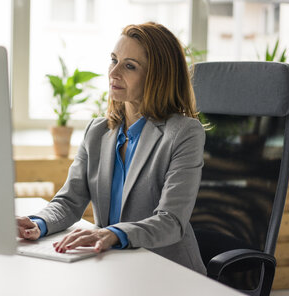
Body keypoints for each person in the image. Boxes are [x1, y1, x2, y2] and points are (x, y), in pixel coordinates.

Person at [17, 22, 206, 274]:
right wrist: (38, 223)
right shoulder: (97, 132)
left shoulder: (183, 133)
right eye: (113, 60)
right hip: (115, 268)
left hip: (168, 272)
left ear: (156, 76)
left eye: (129, 66)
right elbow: (69, 201)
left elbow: (171, 221)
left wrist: (113, 234)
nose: (113, 72)